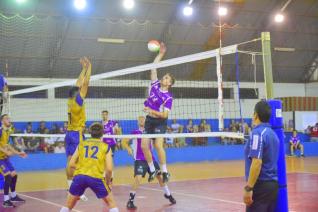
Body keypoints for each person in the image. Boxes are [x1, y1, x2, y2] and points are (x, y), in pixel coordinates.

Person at [60, 123, 118, 212]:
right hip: (96, 177)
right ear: (102, 133)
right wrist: (108, 182)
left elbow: (71, 164)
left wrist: (81, 168)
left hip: (80, 176)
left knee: (68, 205)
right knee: (111, 204)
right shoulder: (106, 147)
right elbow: (109, 169)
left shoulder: (81, 144)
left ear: (90, 132)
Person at [122, 116, 176, 209]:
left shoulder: (151, 132)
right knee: (138, 179)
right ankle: (130, 201)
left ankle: (168, 195)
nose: (142, 120)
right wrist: (128, 148)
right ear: (137, 122)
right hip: (140, 160)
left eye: (143, 119)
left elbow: (157, 142)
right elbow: (124, 141)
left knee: (160, 177)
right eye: (140, 119)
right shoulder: (135, 132)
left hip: (151, 159)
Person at [142, 42, 175, 183]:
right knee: (144, 146)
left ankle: (165, 171)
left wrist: (151, 110)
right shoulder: (155, 85)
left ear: (170, 84)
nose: (164, 78)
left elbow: (164, 115)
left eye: (167, 78)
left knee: (157, 145)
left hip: (160, 122)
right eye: (165, 76)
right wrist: (161, 54)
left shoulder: (168, 98)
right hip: (149, 120)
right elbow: (153, 68)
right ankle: (152, 169)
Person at [243, 100, 279, 212]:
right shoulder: (273, 134)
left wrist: (249, 188)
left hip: (260, 187)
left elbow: (257, 162)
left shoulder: (257, 133)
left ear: (256, 115)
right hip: (272, 186)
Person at [64, 57, 91, 201]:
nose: (80, 88)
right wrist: (90, 66)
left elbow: (79, 82)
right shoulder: (78, 102)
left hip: (68, 133)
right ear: (78, 93)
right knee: (79, 164)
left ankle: (70, 187)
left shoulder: (70, 100)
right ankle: (77, 190)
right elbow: (85, 83)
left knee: (69, 162)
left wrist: (83, 68)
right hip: (77, 134)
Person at [0, 114, 27, 208]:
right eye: (7, 118)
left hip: (4, 158)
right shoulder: (0, 130)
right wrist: (5, 151)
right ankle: (6, 200)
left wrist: (18, 153)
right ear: (2, 120)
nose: (9, 120)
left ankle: (13, 196)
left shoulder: (7, 132)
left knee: (14, 174)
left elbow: (8, 145)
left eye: (9, 118)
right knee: (8, 176)